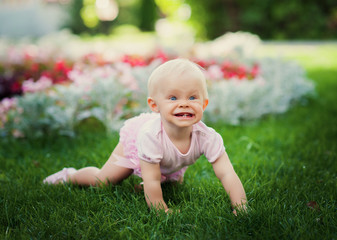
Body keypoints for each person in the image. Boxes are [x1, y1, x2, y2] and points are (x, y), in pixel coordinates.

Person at [43, 58, 248, 215]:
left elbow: (227, 174)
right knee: (104, 181)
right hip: (136, 145)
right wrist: (162, 211)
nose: (184, 103)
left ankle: (170, 176)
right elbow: (151, 178)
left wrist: (241, 207)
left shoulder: (208, 137)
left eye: (193, 97)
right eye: (173, 97)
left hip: (167, 156)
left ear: (204, 104)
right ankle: (69, 175)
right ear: (154, 105)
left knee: (172, 183)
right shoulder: (150, 136)